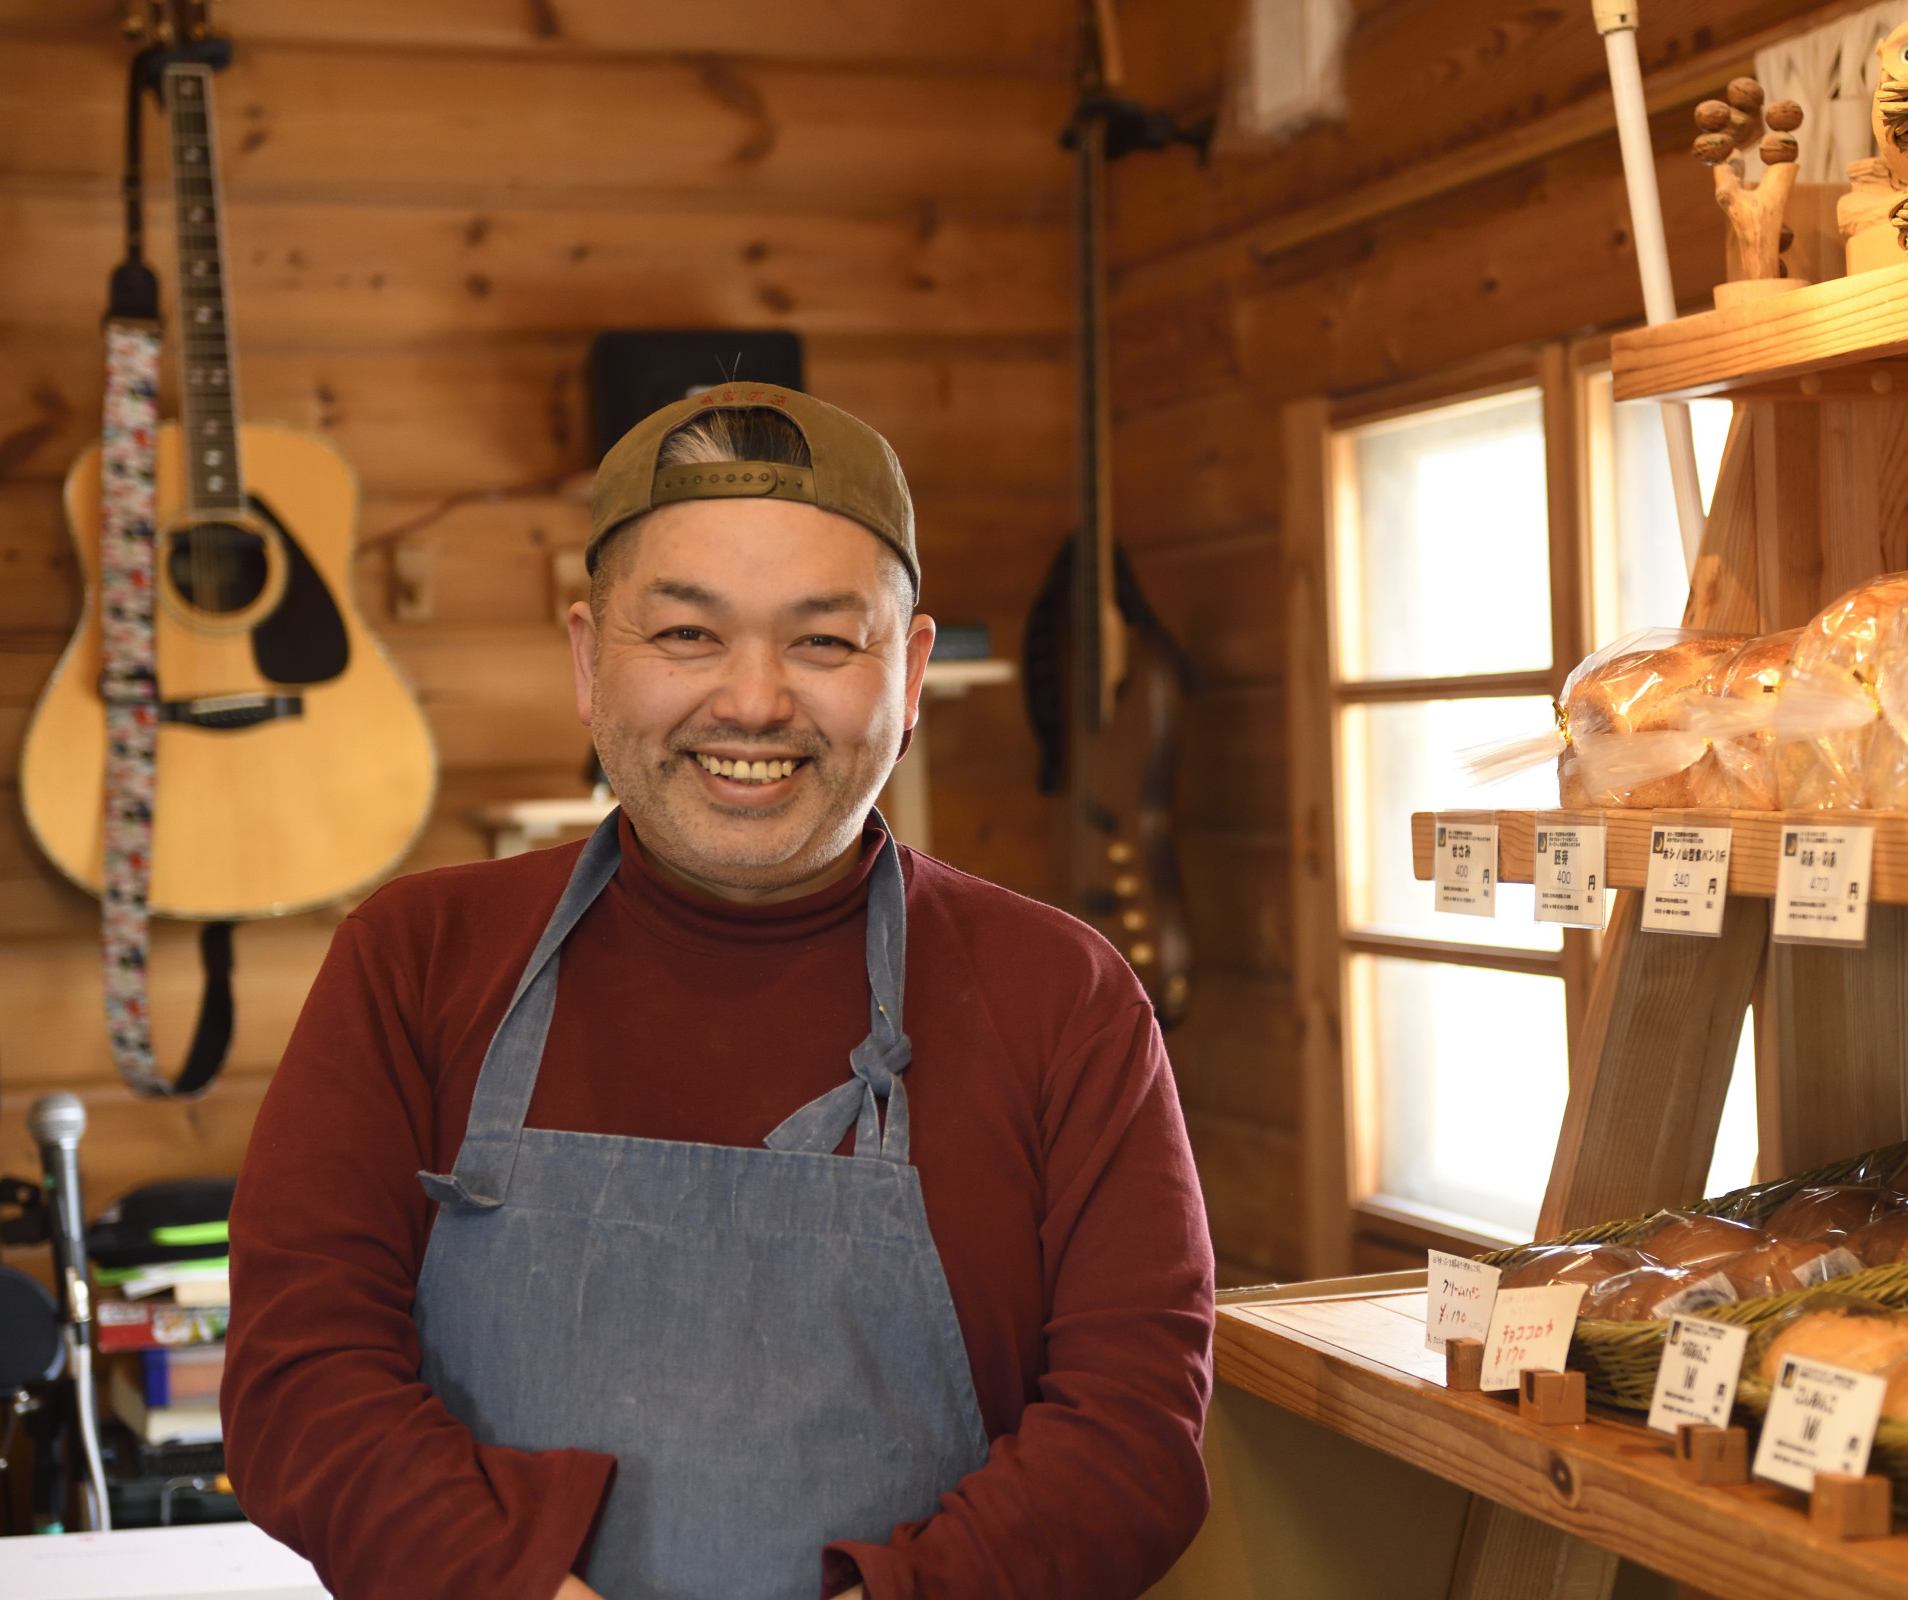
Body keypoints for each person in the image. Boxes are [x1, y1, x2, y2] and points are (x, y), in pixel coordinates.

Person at [222, 384, 1217, 1600]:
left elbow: (1133, 1437)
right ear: (590, 660)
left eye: (823, 640)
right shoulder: (415, 960)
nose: (752, 701)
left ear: (908, 675)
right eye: (688, 634)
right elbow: (301, 1378)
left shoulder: (1063, 999)